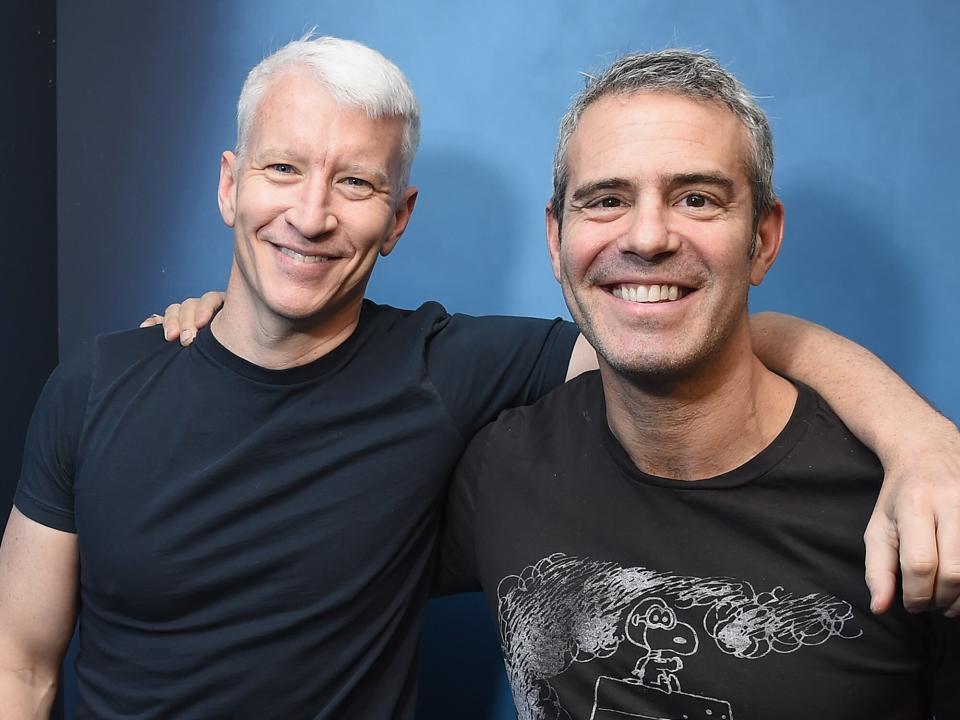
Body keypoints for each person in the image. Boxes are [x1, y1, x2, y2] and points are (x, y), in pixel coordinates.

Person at [0, 34, 956, 720]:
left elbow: (683, 323)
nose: (312, 213)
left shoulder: (451, 372)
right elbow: (20, 664)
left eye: (358, 184)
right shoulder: (99, 384)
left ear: (400, 215)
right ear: (229, 184)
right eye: (282, 169)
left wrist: (922, 442)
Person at [435, 49, 959, 719]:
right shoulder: (502, 470)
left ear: (762, 239)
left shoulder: (910, 506)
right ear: (556, 238)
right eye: (607, 199)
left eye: (697, 199)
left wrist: (923, 440)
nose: (648, 236)